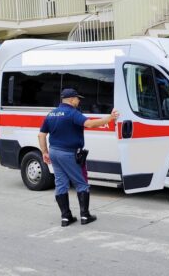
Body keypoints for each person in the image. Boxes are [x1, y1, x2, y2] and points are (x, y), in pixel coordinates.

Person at [38, 88, 119, 227]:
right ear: (71, 99)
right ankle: (85, 215)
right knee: (81, 183)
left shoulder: (51, 113)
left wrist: (44, 152)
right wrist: (110, 118)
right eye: (77, 98)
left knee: (61, 184)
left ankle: (66, 217)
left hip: (54, 152)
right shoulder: (72, 113)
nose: (79, 100)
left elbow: (41, 135)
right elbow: (89, 124)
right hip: (69, 154)